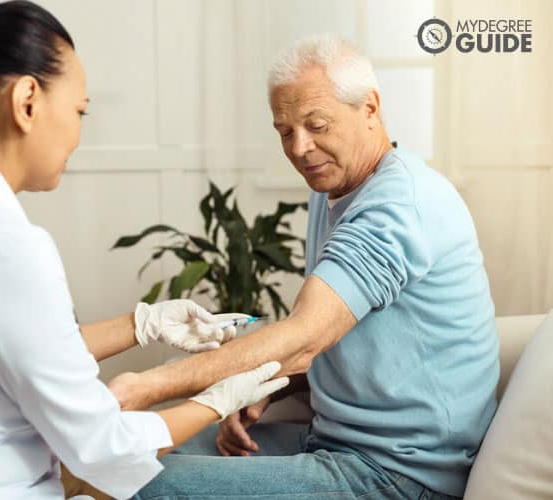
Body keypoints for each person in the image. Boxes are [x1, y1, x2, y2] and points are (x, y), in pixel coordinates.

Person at [0, 2, 288, 499]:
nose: (78, 134)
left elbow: (11, 347)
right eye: (78, 111)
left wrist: (143, 324)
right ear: (27, 101)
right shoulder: (0, 246)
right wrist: (218, 400)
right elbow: (101, 445)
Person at [119, 34, 499, 499]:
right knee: (134, 457)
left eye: (317, 124)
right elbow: (336, 338)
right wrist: (263, 388)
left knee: (143, 485)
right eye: (285, 131)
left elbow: (306, 334)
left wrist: (145, 386)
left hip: (399, 475)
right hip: (334, 443)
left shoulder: (398, 207)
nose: (300, 148)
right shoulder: (332, 190)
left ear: (370, 109)